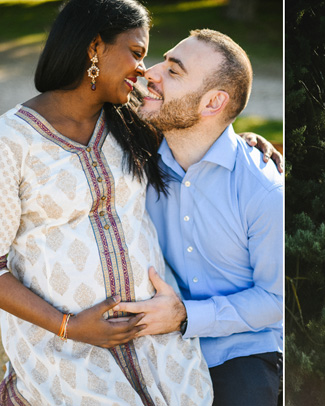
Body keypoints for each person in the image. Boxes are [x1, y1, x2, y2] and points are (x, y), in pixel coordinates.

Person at [0, 0, 215, 404]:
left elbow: (202, 128)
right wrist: (70, 326)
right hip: (65, 350)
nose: (141, 68)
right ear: (95, 47)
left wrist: (248, 145)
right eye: (136, 52)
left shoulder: (132, 123)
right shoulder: (11, 141)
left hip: (156, 342)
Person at [114, 29, 284, 406]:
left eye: (174, 71)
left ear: (213, 103)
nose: (151, 72)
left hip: (241, 350)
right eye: (163, 60)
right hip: (158, 342)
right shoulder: (137, 160)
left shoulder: (265, 192)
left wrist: (186, 315)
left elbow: (275, 299)